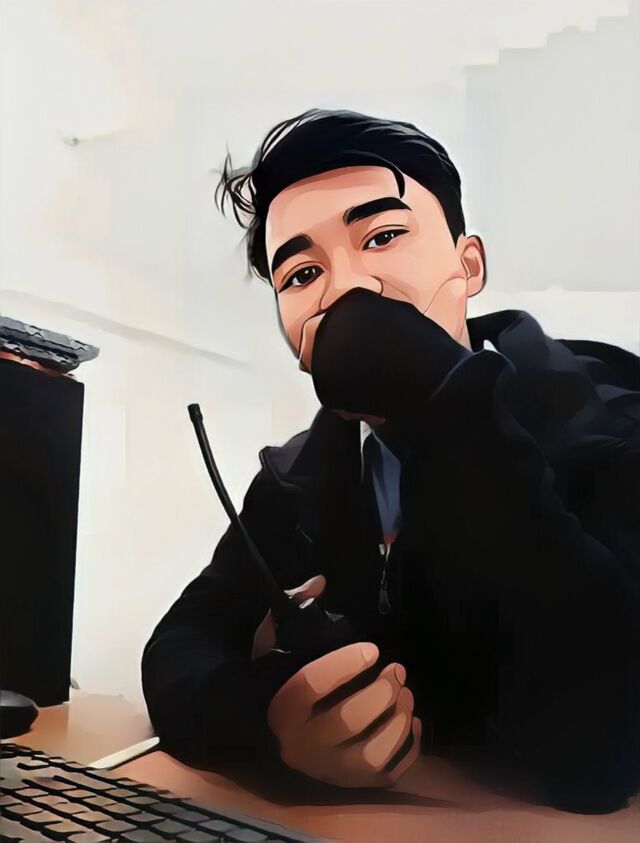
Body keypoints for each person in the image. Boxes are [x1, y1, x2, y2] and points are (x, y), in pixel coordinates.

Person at [141, 108, 640, 813]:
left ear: (469, 265)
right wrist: (271, 722)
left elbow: (604, 750)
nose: (347, 287)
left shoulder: (604, 421)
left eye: (382, 236)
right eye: (302, 273)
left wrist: (447, 404)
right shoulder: (299, 475)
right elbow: (181, 643)